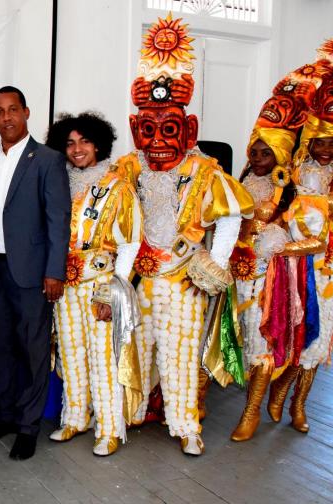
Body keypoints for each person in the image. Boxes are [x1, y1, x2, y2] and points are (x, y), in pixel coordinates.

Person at [116, 14, 253, 455]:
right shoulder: (129, 167)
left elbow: (230, 216)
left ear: (189, 130)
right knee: (138, 345)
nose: (157, 139)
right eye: (148, 129)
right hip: (141, 278)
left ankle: (185, 424)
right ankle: (133, 411)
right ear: (137, 130)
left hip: (183, 277)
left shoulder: (203, 170)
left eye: (169, 128)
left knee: (180, 354)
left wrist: (216, 260)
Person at [264, 40, 333, 435]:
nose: (324, 149)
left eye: (331, 144)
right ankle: (276, 393)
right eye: (318, 142)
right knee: (292, 333)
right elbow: (277, 217)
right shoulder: (290, 179)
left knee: (319, 344)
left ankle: (299, 405)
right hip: (292, 268)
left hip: (328, 269)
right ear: (307, 144)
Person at [0, 85, 71, 461]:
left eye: (13, 109)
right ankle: (6, 416)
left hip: (32, 273)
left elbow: (57, 219)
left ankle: (29, 428)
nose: (6, 118)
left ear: (26, 113)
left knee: (32, 351)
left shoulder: (47, 159)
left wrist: (55, 272)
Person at [228, 62, 318, 441]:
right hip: (236, 275)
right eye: (256, 151)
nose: (260, 158)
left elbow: (315, 241)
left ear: (281, 156)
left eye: (268, 153)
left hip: (270, 282)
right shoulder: (237, 182)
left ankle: (251, 413)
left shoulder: (293, 196)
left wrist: (279, 247)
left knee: (263, 343)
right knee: (238, 340)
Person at [44, 112, 142, 456]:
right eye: (69, 143)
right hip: (66, 285)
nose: (77, 149)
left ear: (99, 143)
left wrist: (112, 291)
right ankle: (74, 418)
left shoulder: (118, 186)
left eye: (84, 141)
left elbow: (130, 243)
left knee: (104, 357)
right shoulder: (59, 182)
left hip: (100, 281)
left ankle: (110, 428)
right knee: (71, 353)